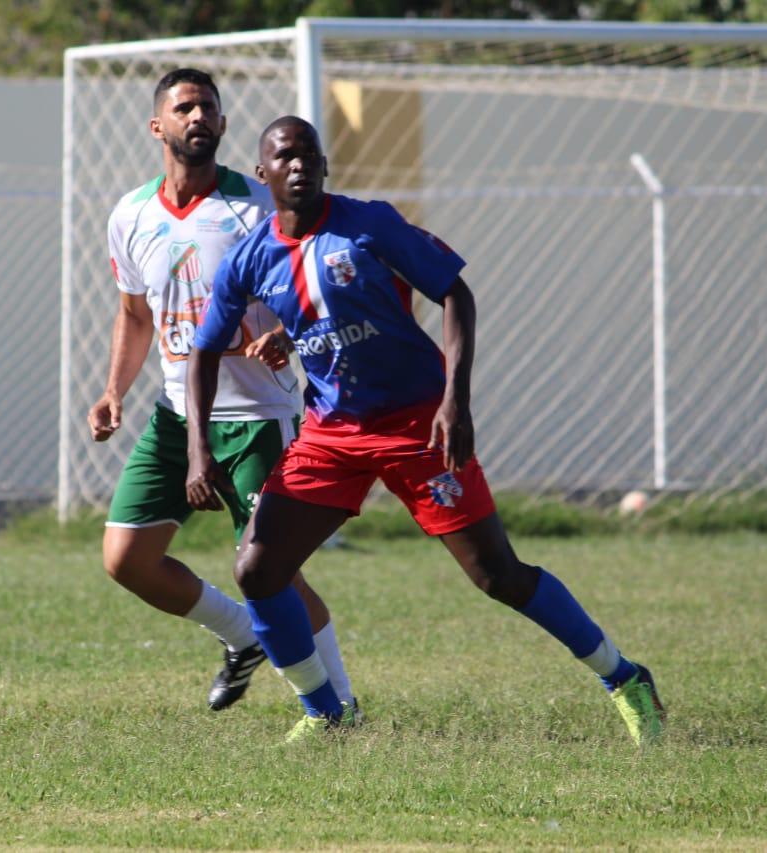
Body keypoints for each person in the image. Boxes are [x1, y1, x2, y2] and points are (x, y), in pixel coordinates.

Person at [186, 116, 665, 745]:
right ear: (263, 173)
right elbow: (202, 351)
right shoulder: (251, 257)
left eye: (309, 155)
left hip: (417, 421)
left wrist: (454, 401)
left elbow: (455, 295)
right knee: (257, 569)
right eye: (284, 156)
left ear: (325, 166)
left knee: (498, 576)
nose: (298, 165)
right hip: (332, 432)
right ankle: (326, 714)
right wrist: (199, 450)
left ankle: (625, 678)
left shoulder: (371, 224)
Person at [89, 70, 358, 714]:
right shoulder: (131, 214)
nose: (198, 116)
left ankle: (339, 708)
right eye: (184, 108)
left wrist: (289, 340)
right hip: (178, 415)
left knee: (276, 572)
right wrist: (113, 391)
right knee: (127, 558)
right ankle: (242, 637)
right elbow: (135, 315)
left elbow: (317, 285)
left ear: (224, 124)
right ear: (159, 126)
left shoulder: (257, 205)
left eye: (208, 106)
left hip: (259, 415)